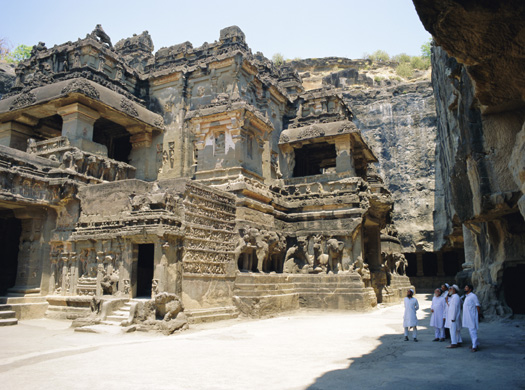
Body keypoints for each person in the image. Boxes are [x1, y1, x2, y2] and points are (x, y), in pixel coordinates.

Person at [462, 284, 481, 352]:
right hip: (467, 317)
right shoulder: (467, 296)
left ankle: (474, 347)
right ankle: (475, 343)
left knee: (473, 331)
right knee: (470, 331)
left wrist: (479, 315)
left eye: (466, 287)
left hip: (472, 316)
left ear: (470, 289)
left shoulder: (473, 296)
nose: (465, 288)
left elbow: (477, 305)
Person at [445, 284, 462, 348]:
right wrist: (447, 301)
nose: (449, 290)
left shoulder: (455, 297)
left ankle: (454, 343)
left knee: (453, 330)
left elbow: (454, 307)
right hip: (453, 316)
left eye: (450, 289)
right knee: (457, 330)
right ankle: (459, 341)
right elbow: (450, 306)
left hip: (453, 317)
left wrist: (453, 317)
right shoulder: (453, 297)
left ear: (454, 290)